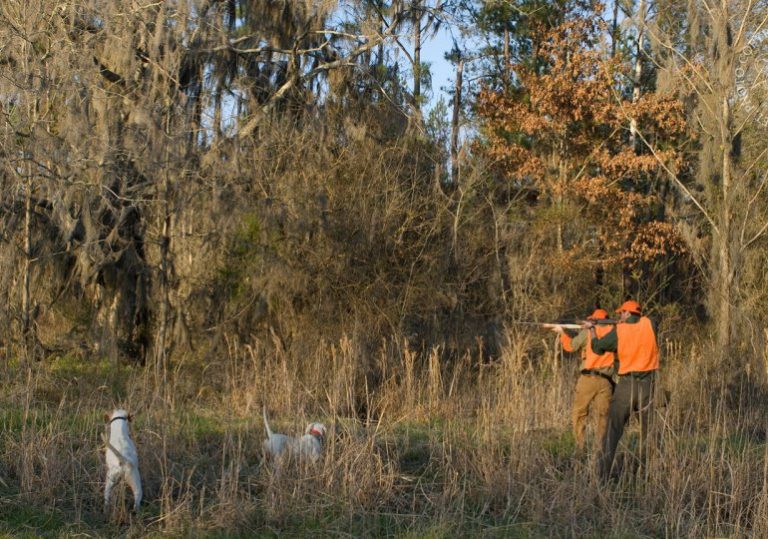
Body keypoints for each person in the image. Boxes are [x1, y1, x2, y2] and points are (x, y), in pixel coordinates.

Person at [588, 299, 659, 480]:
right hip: (648, 387)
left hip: (627, 386)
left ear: (627, 313)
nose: (619, 315)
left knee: (612, 430)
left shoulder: (619, 330)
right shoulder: (651, 324)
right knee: (650, 433)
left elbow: (598, 348)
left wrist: (592, 331)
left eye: (621, 313)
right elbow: (645, 325)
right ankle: (652, 475)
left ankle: (601, 476)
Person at [551, 309, 616, 453]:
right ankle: (601, 448)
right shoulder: (615, 332)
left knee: (579, 413)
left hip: (588, 379)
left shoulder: (588, 332)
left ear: (594, 320)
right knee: (603, 415)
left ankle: (580, 447)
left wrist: (562, 333)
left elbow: (570, 346)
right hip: (606, 381)